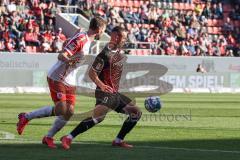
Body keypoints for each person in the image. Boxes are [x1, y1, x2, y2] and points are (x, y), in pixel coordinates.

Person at [16, 16, 107, 148]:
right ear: (99, 29)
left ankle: (48, 137)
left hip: (70, 80)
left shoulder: (86, 40)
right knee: (61, 109)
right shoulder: (81, 39)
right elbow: (61, 55)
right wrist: (69, 60)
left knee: (69, 112)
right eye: (104, 29)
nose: (104, 32)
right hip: (58, 77)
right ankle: (27, 117)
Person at [60, 26, 142, 150]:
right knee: (97, 116)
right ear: (115, 37)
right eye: (123, 38)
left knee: (135, 113)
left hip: (114, 92)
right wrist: (102, 86)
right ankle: (68, 137)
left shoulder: (117, 53)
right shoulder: (104, 54)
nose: (125, 40)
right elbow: (92, 73)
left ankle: (118, 140)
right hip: (103, 92)